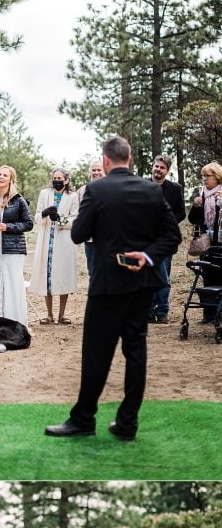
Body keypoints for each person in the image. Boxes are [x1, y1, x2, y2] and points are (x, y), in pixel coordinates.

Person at [45, 136, 182, 441]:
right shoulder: (151, 190)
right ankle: (128, 423)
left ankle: (83, 420)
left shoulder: (96, 189)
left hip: (108, 284)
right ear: (129, 159)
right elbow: (172, 236)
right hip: (143, 284)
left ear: (105, 161)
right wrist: (146, 256)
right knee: (136, 350)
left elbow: (79, 234)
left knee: (96, 353)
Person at [0, 166, 33, 326]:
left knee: (12, 283)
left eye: (5, 175)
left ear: (11, 179)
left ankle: (15, 323)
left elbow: (28, 224)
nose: (1, 177)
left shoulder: (18, 200)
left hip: (13, 250)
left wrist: (8, 227)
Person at [29, 168, 79, 325]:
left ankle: (61, 315)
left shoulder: (73, 196)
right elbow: (36, 217)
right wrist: (44, 213)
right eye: (54, 177)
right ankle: (49, 314)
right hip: (46, 240)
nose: (56, 180)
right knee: (47, 275)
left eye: (60, 177)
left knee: (63, 274)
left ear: (66, 180)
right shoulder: (45, 194)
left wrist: (60, 220)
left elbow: (76, 218)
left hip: (63, 240)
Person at [148, 155, 186, 323]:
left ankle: (162, 311)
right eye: (156, 166)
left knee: (163, 277)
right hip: (145, 241)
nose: (158, 169)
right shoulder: (142, 186)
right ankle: (148, 311)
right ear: (153, 166)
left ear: (167, 170)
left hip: (165, 240)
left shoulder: (175, 189)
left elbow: (181, 212)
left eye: (162, 167)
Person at [188, 161, 222, 322]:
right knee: (207, 276)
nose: (204, 179)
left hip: (220, 242)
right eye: (203, 176)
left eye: (208, 176)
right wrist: (195, 206)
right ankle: (208, 314)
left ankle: (220, 313)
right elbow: (193, 220)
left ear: (217, 177)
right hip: (206, 243)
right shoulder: (201, 195)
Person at [77, 159, 104, 276]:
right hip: (90, 240)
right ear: (90, 172)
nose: (96, 172)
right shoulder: (82, 191)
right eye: (94, 170)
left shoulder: (112, 187)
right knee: (92, 270)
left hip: (108, 238)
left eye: (99, 170)